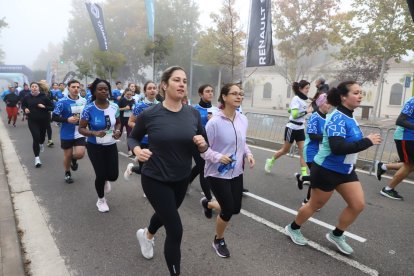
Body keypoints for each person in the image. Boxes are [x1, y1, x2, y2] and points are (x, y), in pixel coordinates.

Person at [285, 81, 381, 255]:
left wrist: (363, 142)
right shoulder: (337, 117)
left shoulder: (350, 116)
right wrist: (367, 141)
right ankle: (293, 228)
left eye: (361, 93)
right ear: (343, 97)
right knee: (314, 204)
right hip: (327, 169)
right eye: (356, 93)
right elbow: (337, 148)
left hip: (345, 170)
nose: (360, 96)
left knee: (357, 204)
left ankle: (337, 235)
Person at [128, 66, 208, 276]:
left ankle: (147, 234)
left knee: (165, 216)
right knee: (175, 229)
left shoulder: (192, 114)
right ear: (164, 85)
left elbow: (203, 144)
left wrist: (203, 145)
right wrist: (137, 150)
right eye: (176, 80)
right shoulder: (150, 114)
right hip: (155, 178)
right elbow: (133, 137)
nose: (182, 84)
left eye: (184, 80)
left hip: (181, 179)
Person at [201, 83, 255, 258]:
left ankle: (208, 203)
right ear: (224, 97)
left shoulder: (243, 119)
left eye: (241, 94)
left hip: (236, 171)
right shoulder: (214, 123)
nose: (239, 96)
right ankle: (218, 239)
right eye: (234, 94)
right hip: (217, 173)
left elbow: (242, 141)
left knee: (236, 209)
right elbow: (203, 151)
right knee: (228, 210)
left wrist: (248, 153)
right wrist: (218, 157)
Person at [78, 78, 122, 213]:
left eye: (106, 89)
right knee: (100, 174)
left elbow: (119, 122)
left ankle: (105, 180)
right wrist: (94, 133)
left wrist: (118, 131)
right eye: (100, 89)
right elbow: (81, 128)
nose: (104, 91)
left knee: (113, 175)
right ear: (94, 92)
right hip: (94, 146)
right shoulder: (89, 109)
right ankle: (101, 199)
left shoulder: (114, 106)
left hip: (111, 144)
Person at [265, 80, 310, 178]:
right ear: (300, 89)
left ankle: (304, 174)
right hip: (292, 128)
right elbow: (294, 115)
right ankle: (270, 160)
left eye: (308, 88)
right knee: (285, 150)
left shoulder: (303, 100)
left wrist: (292, 109)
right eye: (306, 88)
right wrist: (306, 112)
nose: (308, 90)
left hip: (300, 128)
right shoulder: (296, 98)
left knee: (303, 152)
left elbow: (291, 110)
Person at [295, 93, 331, 206]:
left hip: (322, 151)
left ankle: (302, 178)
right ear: (320, 104)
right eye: (327, 102)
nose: (329, 105)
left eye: (330, 103)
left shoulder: (329, 117)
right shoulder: (314, 116)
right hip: (311, 151)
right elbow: (312, 136)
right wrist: (329, 138)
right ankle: (308, 200)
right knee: (318, 176)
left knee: (318, 176)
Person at [190, 84, 220, 218]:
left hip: (211, 144)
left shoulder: (217, 110)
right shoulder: (194, 110)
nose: (210, 93)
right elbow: (191, 127)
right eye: (207, 91)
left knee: (200, 166)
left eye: (212, 91)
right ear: (201, 94)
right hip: (197, 144)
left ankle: (187, 181)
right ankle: (208, 199)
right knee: (203, 168)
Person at [377, 96, 414, 200]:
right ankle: (388, 189)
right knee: (409, 165)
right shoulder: (413, 102)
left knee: (411, 165)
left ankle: (384, 167)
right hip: (406, 137)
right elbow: (400, 121)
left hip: (411, 137)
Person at [52, 79, 87, 184]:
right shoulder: (62, 102)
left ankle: (74, 159)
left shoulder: (84, 101)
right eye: (73, 87)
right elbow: (54, 116)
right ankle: (67, 172)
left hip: (80, 131)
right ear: (68, 88)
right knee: (67, 155)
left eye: (77, 87)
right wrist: (66, 120)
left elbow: (87, 115)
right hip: (66, 132)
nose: (76, 89)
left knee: (80, 154)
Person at [124, 80, 159, 178]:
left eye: (154, 88)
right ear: (145, 92)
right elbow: (130, 122)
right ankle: (132, 168)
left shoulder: (161, 105)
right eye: (149, 88)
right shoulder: (139, 106)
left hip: (157, 142)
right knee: (144, 169)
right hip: (143, 142)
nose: (152, 90)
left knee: (156, 168)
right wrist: (141, 128)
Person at [21, 82, 55, 167]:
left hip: (44, 120)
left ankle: (41, 143)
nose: (34, 88)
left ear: (38, 88)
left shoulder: (44, 97)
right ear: (30, 88)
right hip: (32, 121)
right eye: (32, 86)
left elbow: (52, 107)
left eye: (36, 86)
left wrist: (44, 107)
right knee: (36, 137)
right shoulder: (27, 97)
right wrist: (25, 109)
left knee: (42, 138)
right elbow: (23, 105)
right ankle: (37, 158)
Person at [117, 88, 135, 155]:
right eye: (128, 94)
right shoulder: (122, 100)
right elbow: (117, 109)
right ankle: (112, 145)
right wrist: (124, 108)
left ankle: (130, 150)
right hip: (121, 119)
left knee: (129, 134)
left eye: (130, 94)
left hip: (129, 120)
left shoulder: (133, 100)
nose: (129, 95)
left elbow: (134, 108)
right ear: (125, 93)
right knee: (119, 133)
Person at [38, 80, 54, 147]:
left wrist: (48, 107)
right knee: (40, 127)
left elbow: (51, 100)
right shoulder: (36, 92)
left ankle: (50, 140)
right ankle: (41, 138)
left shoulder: (49, 92)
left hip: (46, 111)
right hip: (37, 112)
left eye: (45, 82)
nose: (45, 83)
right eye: (43, 82)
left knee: (48, 126)